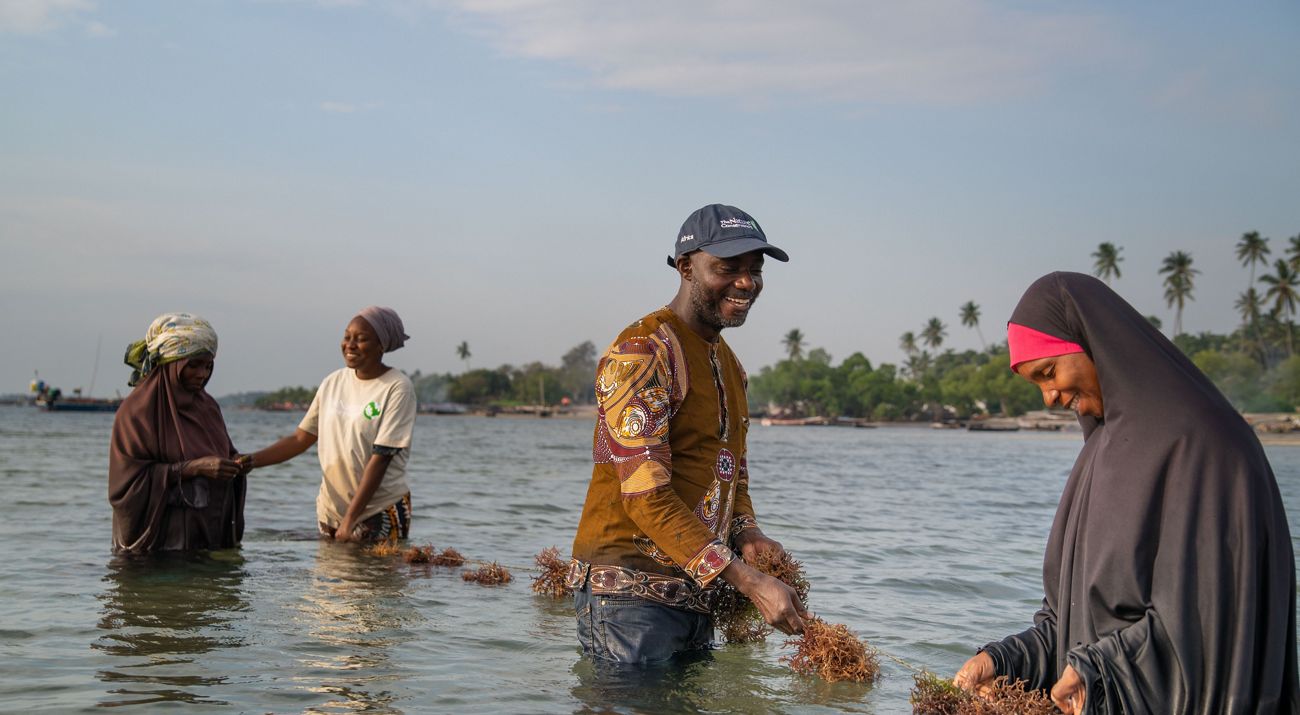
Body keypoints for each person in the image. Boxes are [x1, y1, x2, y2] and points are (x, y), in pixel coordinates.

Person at [954, 272, 1298, 714]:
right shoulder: (1098, 456)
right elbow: (1069, 624)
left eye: (1048, 372)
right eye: (1037, 384)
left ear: (1095, 343)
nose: (1049, 397)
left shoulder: (1204, 445)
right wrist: (1000, 660)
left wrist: (1096, 672)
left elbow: (1210, 627)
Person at [568, 204, 810, 664]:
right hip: (628, 598)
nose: (746, 283)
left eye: (754, 271)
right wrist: (749, 581)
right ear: (685, 267)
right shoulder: (643, 353)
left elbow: (730, 471)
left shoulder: (730, 366)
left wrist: (749, 532)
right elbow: (645, 496)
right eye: (728, 268)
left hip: (696, 593)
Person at [245, 307, 416, 542]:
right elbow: (300, 439)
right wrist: (250, 461)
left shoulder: (397, 387)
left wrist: (349, 521)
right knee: (332, 577)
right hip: (330, 511)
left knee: (376, 578)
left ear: (381, 345)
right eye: (347, 337)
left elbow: (381, 457)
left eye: (362, 339)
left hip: (378, 510)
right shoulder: (333, 382)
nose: (351, 345)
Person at [109, 313, 247, 554]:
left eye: (208, 366)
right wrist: (194, 468)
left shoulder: (208, 407)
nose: (202, 374)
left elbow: (221, 452)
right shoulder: (136, 413)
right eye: (193, 365)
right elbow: (126, 486)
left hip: (205, 544)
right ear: (171, 363)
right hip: (155, 553)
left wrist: (236, 463)